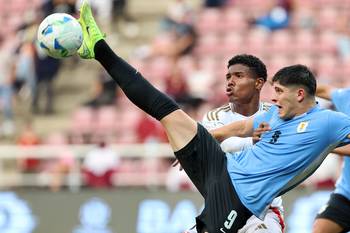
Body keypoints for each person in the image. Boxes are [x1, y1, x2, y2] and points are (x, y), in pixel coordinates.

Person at [75, 2, 350, 232]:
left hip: (239, 201)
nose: (273, 97)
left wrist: (329, 150)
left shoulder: (328, 123)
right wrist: (204, 138)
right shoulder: (276, 115)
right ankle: (99, 49)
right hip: (220, 166)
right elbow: (243, 126)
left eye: (278, 92)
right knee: (167, 111)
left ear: (300, 94)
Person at [201, 54, 284, 233]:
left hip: (262, 210)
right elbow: (218, 147)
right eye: (228, 77)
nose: (230, 81)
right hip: (221, 206)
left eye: (239, 76)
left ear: (258, 83)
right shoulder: (215, 116)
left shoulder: (276, 114)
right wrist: (252, 140)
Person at [312, 84, 350, 233]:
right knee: (321, 229)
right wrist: (294, 85)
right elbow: (325, 91)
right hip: (346, 195)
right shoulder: (347, 97)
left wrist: (326, 146)